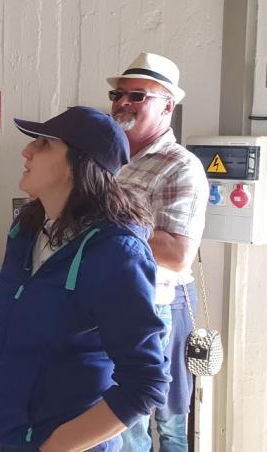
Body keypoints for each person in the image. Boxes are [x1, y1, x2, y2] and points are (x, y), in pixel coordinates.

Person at [0, 106, 170, 452]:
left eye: (44, 144)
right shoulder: (26, 228)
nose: (26, 150)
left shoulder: (117, 253)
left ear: (77, 164)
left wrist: (58, 445)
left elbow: (146, 382)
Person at [110, 53, 209, 452]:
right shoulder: (110, 160)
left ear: (168, 105)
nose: (123, 102)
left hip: (157, 305)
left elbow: (177, 252)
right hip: (111, 305)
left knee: (166, 424)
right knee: (122, 422)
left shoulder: (179, 166)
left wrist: (104, 228)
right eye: (118, 93)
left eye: (138, 95)